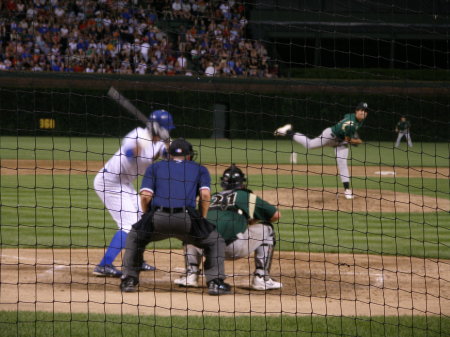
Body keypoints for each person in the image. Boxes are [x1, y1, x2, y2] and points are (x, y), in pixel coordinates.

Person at [120, 138, 231, 296]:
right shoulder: (200, 169)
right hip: (186, 219)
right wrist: (202, 218)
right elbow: (205, 195)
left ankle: (129, 280)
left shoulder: (155, 167)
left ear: (169, 155)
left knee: (134, 237)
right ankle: (215, 283)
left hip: (157, 218)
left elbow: (145, 196)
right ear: (189, 156)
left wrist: (147, 216)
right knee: (215, 241)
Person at [93, 110, 175, 277]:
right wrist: (145, 142)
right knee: (128, 224)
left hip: (124, 184)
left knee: (143, 219)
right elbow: (130, 154)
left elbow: (170, 157)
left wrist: (168, 143)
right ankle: (104, 265)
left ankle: (136, 260)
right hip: (109, 182)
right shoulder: (137, 134)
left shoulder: (159, 144)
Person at [173, 164, 283, 290]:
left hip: (206, 248)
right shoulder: (246, 196)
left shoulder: (211, 198)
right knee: (267, 228)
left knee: (194, 229)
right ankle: (261, 278)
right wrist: (252, 220)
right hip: (233, 248)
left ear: (223, 183)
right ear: (242, 182)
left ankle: (191, 275)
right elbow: (275, 215)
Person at [274, 102, 369, 200]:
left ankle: (347, 191)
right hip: (329, 136)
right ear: (356, 111)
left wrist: (352, 135)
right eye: (361, 110)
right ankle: (287, 131)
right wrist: (357, 140)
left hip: (340, 142)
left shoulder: (355, 118)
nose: (363, 112)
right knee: (310, 145)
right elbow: (348, 139)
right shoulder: (351, 123)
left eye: (365, 111)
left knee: (342, 163)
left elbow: (346, 126)